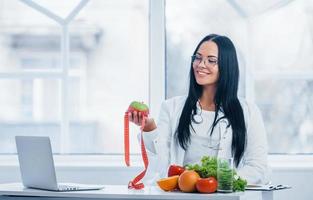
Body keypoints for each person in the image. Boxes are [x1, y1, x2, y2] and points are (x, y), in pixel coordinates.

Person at [128, 34, 269, 185]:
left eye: (211, 60)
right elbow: (161, 166)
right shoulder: (171, 107)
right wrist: (149, 128)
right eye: (198, 58)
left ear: (227, 66)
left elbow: (257, 167)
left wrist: (219, 184)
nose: (201, 64)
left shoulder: (249, 112)